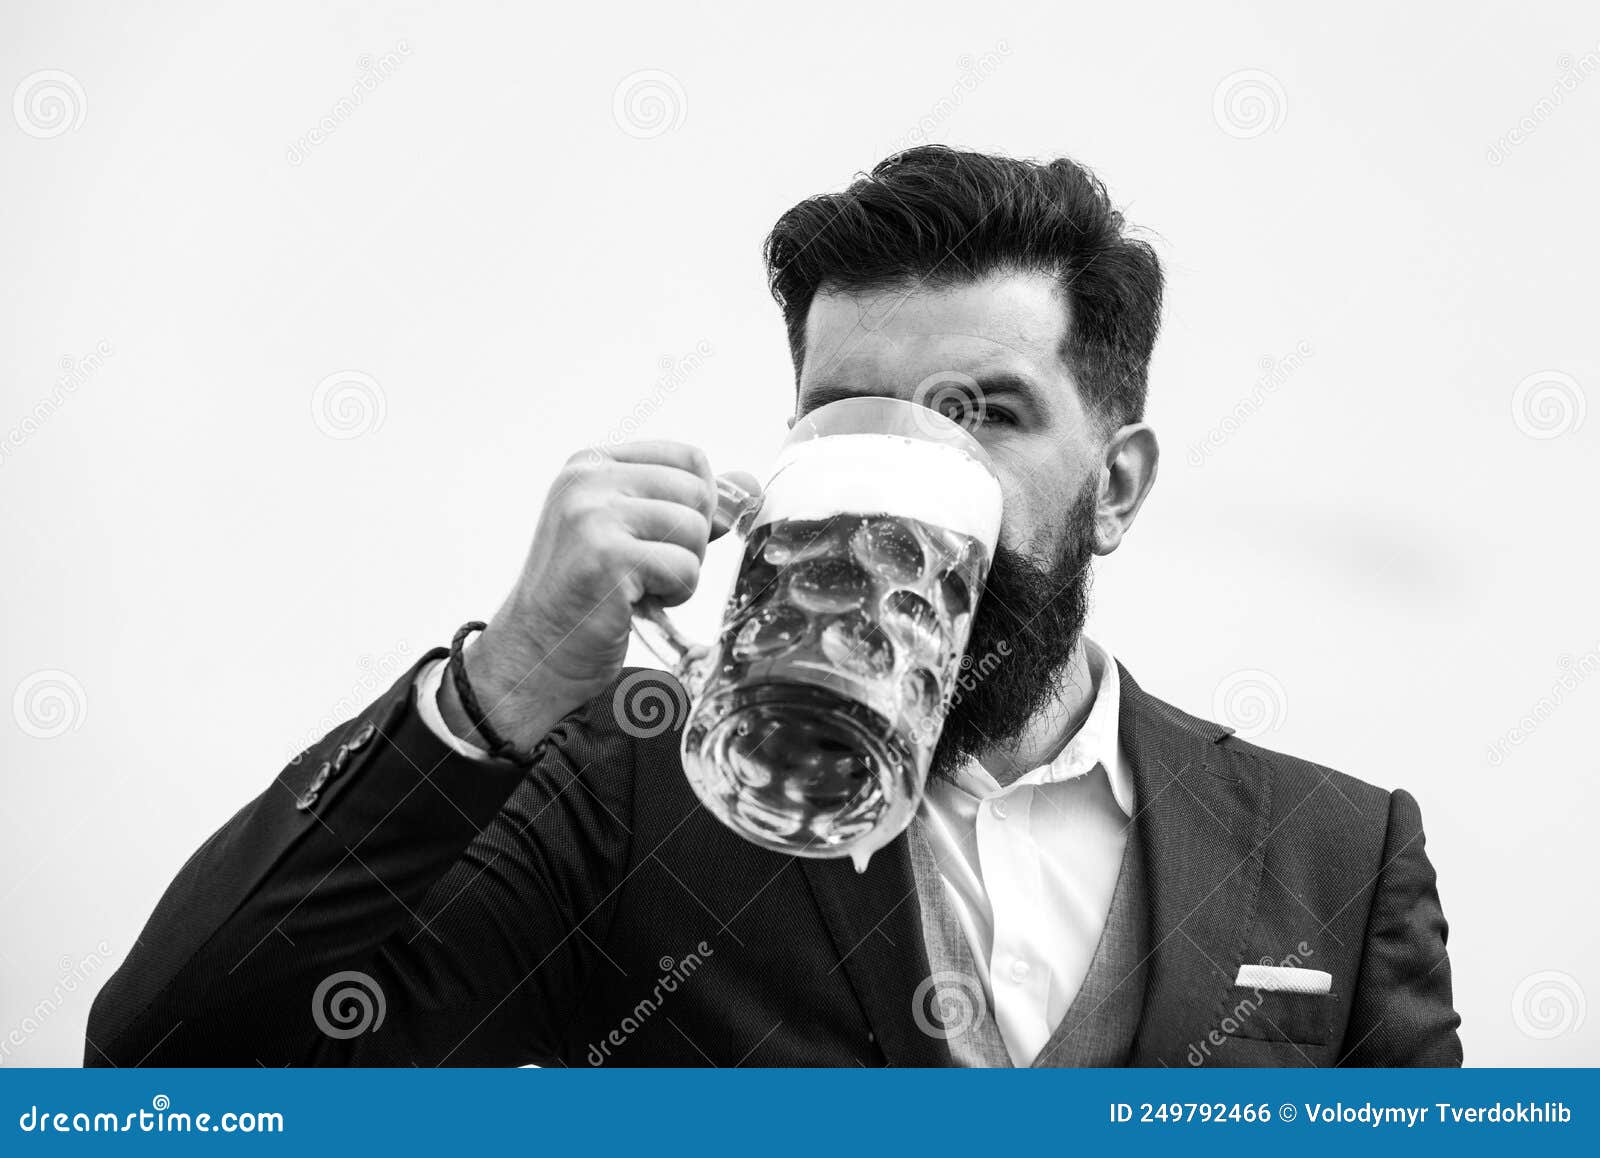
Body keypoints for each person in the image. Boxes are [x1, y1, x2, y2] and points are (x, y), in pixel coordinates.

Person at [85, 146, 1461, 1067]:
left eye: (985, 412)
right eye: (852, 411)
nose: (921, 462)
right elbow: (174, 1062)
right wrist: (501, 688)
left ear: (1116, 484)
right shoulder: (630, 796)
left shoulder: (1335, 850)